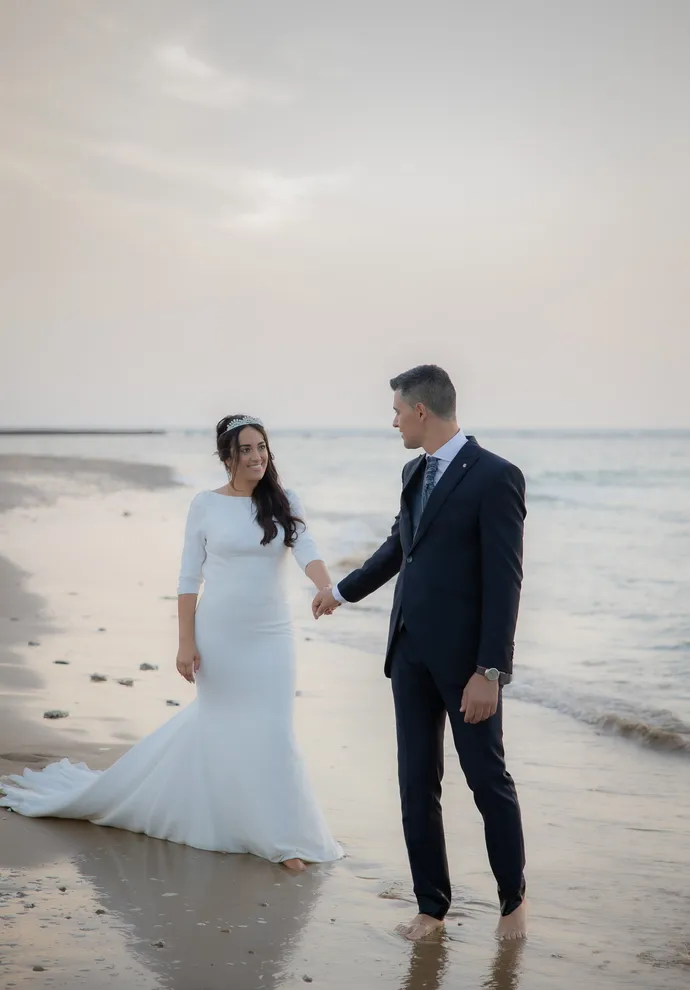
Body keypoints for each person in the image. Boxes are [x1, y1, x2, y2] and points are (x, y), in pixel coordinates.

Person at [1, 415, 343, 871]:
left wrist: (328, 588)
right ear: (227, 457)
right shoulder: (205, 504)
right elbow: (188, 579)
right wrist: (186, 643)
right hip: (218, 634)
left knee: (273, 729)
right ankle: (273, 838)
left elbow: (308, 549)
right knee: (222, 726)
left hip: (272, 637)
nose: (256, 456)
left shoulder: (285, 501)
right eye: (245, 449)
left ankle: (282, 833)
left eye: (261, 446)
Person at [313, 366, 527, 939]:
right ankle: (431, 905)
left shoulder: (495, 476)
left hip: (467, 667)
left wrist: (490, 670)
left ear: (422, 411)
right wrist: (340, 591)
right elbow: (398, 546)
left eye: (398, 411)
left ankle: (514, 902)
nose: (394, 421)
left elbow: (505, 582)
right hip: (407, 653)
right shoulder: (413, 471)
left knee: (487, 781)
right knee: (416, 784)